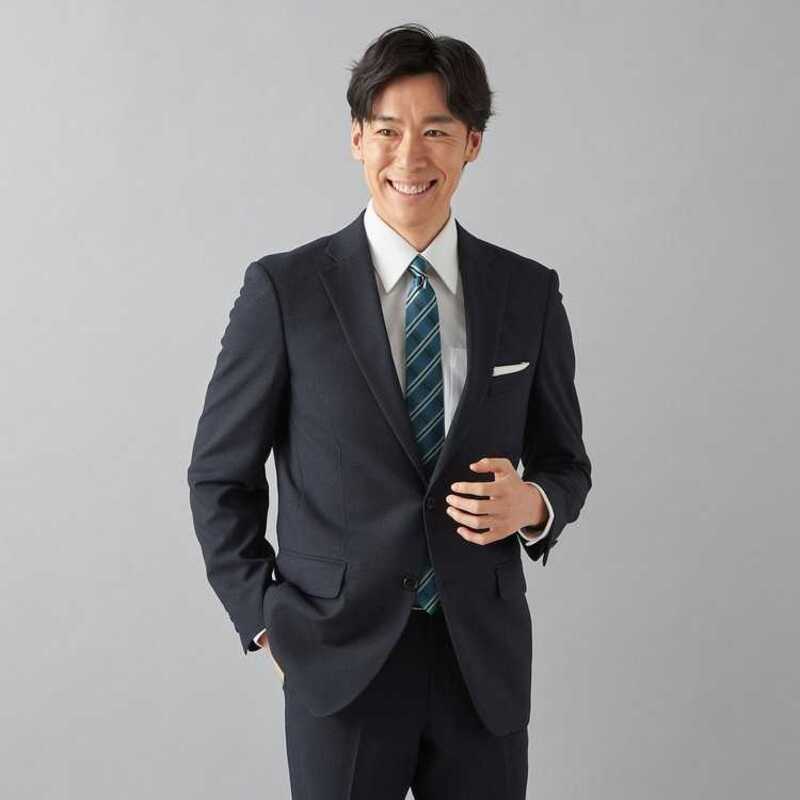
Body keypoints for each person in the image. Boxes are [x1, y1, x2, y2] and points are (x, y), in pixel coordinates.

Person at [187, 22, 591, 799]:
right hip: (337, 662)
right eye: (387, 131)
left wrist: (534, 504)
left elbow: (565, 462)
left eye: (436, 131)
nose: (410, 157)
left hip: (482, 665)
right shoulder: (285, 292)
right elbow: (218, 477)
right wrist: (267, 621)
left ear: (472, 143)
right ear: (356, 140)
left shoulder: (528, 292)